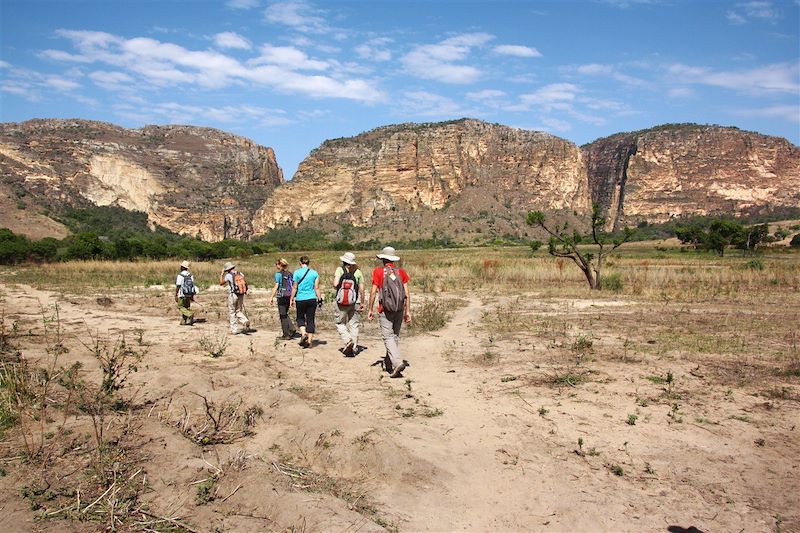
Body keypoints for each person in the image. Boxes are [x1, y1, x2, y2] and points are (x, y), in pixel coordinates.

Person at [367, 246, 411, 377]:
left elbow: (374, 291)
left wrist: (370, 309)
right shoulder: (401, 272)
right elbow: (407, 293)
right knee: (394, 336)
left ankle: (397, 363)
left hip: (385, 309)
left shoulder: (378, 272)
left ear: (383, 259)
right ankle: (389, 363)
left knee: (388, 337)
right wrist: (407, 311)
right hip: (399, 308)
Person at [333, 252, 365, 357]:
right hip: (355, 300)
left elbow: (335, 284)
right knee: (354, 325)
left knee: (340, 323)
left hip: (341, 301)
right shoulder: (358, 272)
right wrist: (363, 302)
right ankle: (354, 348)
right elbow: (362, 289)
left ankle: (347, 340)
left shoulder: (339, 270)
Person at [290, 255, 321, 348]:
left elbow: (295, 286)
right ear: (308, 263)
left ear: (300, 263)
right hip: (311, 298)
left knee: (300, 318)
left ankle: (303, 334)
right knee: (310, 319)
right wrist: (319, 298)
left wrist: (291, 298)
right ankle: (310, 341)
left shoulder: (297, 273)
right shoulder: (315, 273)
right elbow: (316, 287)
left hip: (300, 298)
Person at [269, 258, 297, 340]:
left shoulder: (278, 274)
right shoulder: (290, 274)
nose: (276, 266)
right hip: (289, 295)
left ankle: (286, 334)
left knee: (282, 315)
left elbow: (276, 286)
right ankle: (290, 328)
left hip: (281, 295)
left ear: (280, 265)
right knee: (285, 313)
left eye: (277, 264)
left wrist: (271, 297)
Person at [219, 261, 250, 334]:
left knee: (232, 312)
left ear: (227, 269)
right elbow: (245, 284)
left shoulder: (228, 275)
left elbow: (221, 283)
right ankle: (244, 320)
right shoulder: (240, 274)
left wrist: (222, 274)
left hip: (233, 295)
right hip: (241, 294)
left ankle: (234, 330)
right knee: (238, 311)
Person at [175, 260, 197, 325]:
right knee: (186, 307)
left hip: (182, 294)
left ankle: (189, 314)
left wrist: (176, 294)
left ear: (182, 267)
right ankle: (184, 321)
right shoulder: (190, 275)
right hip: (189, 293)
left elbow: (178, 286)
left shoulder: (180, 275)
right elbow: (192, 286)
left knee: (180, 306)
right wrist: (192, 296)